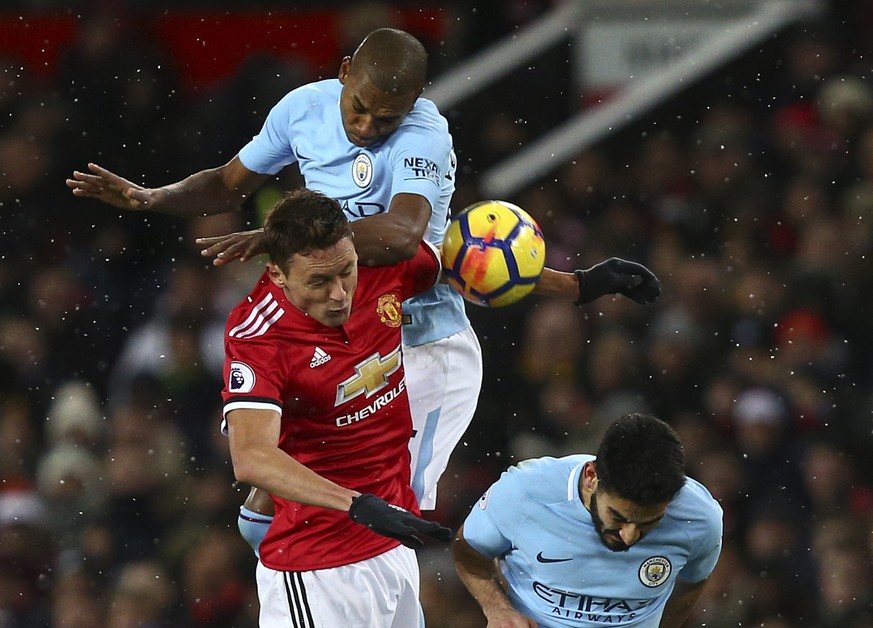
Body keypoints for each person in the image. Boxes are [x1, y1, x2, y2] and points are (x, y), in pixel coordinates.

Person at [66, 28, 661, 548]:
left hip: (420, 349)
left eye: (387, 117)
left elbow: (412, 240)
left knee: (382, 519)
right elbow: (227, 185)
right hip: (337, 341)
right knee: (263, 508)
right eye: (361, 109)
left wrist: (292, 238)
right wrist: (153, 197)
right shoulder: (302, 110)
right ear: (344, 71)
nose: (368, 126)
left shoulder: (425, 134)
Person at [222, 187, 452, 626]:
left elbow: (475, 267)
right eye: (318, 282)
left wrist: (578, 283)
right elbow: (250, 457)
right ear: (277, 274)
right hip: (317, 568)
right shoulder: (257, 336)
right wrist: (357, 505)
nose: (339, 294)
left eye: (346, 272)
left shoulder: (383, 269)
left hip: (394, 544)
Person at [453, 413, 723, 628]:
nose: (629, 536)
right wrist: (498, 609)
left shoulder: (700, 521)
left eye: (649, 522)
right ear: (592, 477)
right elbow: (467, 551)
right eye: (618, 517)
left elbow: (694, 581)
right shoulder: (524, 493)